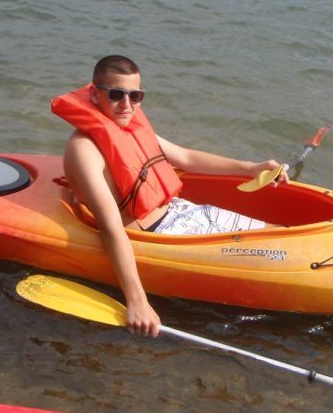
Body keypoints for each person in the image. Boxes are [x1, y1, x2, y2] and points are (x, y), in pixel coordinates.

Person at [51, 55, 288, 338]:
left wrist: (251, 168)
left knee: (282, 237)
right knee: (281, 257)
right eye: (116, 95)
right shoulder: (84, 149)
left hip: (183, 212)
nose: (127, 105)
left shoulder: (128, 126)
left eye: (135, 96)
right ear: (94, 93)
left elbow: (186, 157)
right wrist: (137, 302)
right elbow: (111, 228)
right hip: (160, 233)